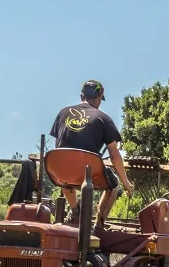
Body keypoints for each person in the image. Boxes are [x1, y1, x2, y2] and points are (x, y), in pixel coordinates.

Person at [49, 80, 134, 228]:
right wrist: (127, 185)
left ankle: (75, 212)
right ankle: (98, 226)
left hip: (62, 171)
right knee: (113, 186)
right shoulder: (104, 119)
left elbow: (59, 149)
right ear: (100, 97)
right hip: (89, 172)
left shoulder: (63, 113)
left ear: (82, 96)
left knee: (64, 175)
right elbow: (114, 155)